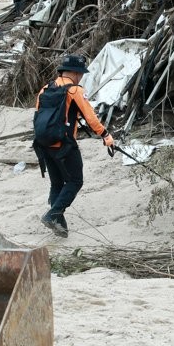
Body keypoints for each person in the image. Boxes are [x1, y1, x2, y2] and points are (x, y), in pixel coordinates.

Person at [33, 54, 114, 237]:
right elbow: (91, 117)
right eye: (81, 73)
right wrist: (105, 135)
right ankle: (53, 215)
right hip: (64, 145)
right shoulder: (74, 90)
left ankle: (59, 227)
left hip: (44, 143)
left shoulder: (45, 89)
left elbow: (37, 116)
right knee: (75, 181)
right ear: (76, 73)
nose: (82, 77)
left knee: (57, 183)